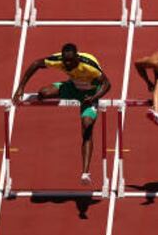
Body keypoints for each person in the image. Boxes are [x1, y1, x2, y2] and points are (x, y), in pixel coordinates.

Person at [13, 43, 111, 185]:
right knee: (42, 93)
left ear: (77, 57)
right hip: (72, 87)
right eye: (66, 61)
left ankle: (85, 172)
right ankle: (58, 90)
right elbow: (36, 64)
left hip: (90, 94)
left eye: (71, 61)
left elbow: (107, 84)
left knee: (87, 127)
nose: (68, 64)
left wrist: (94, 98)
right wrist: (21, 87)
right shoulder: (59, 60)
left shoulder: (89, 66)